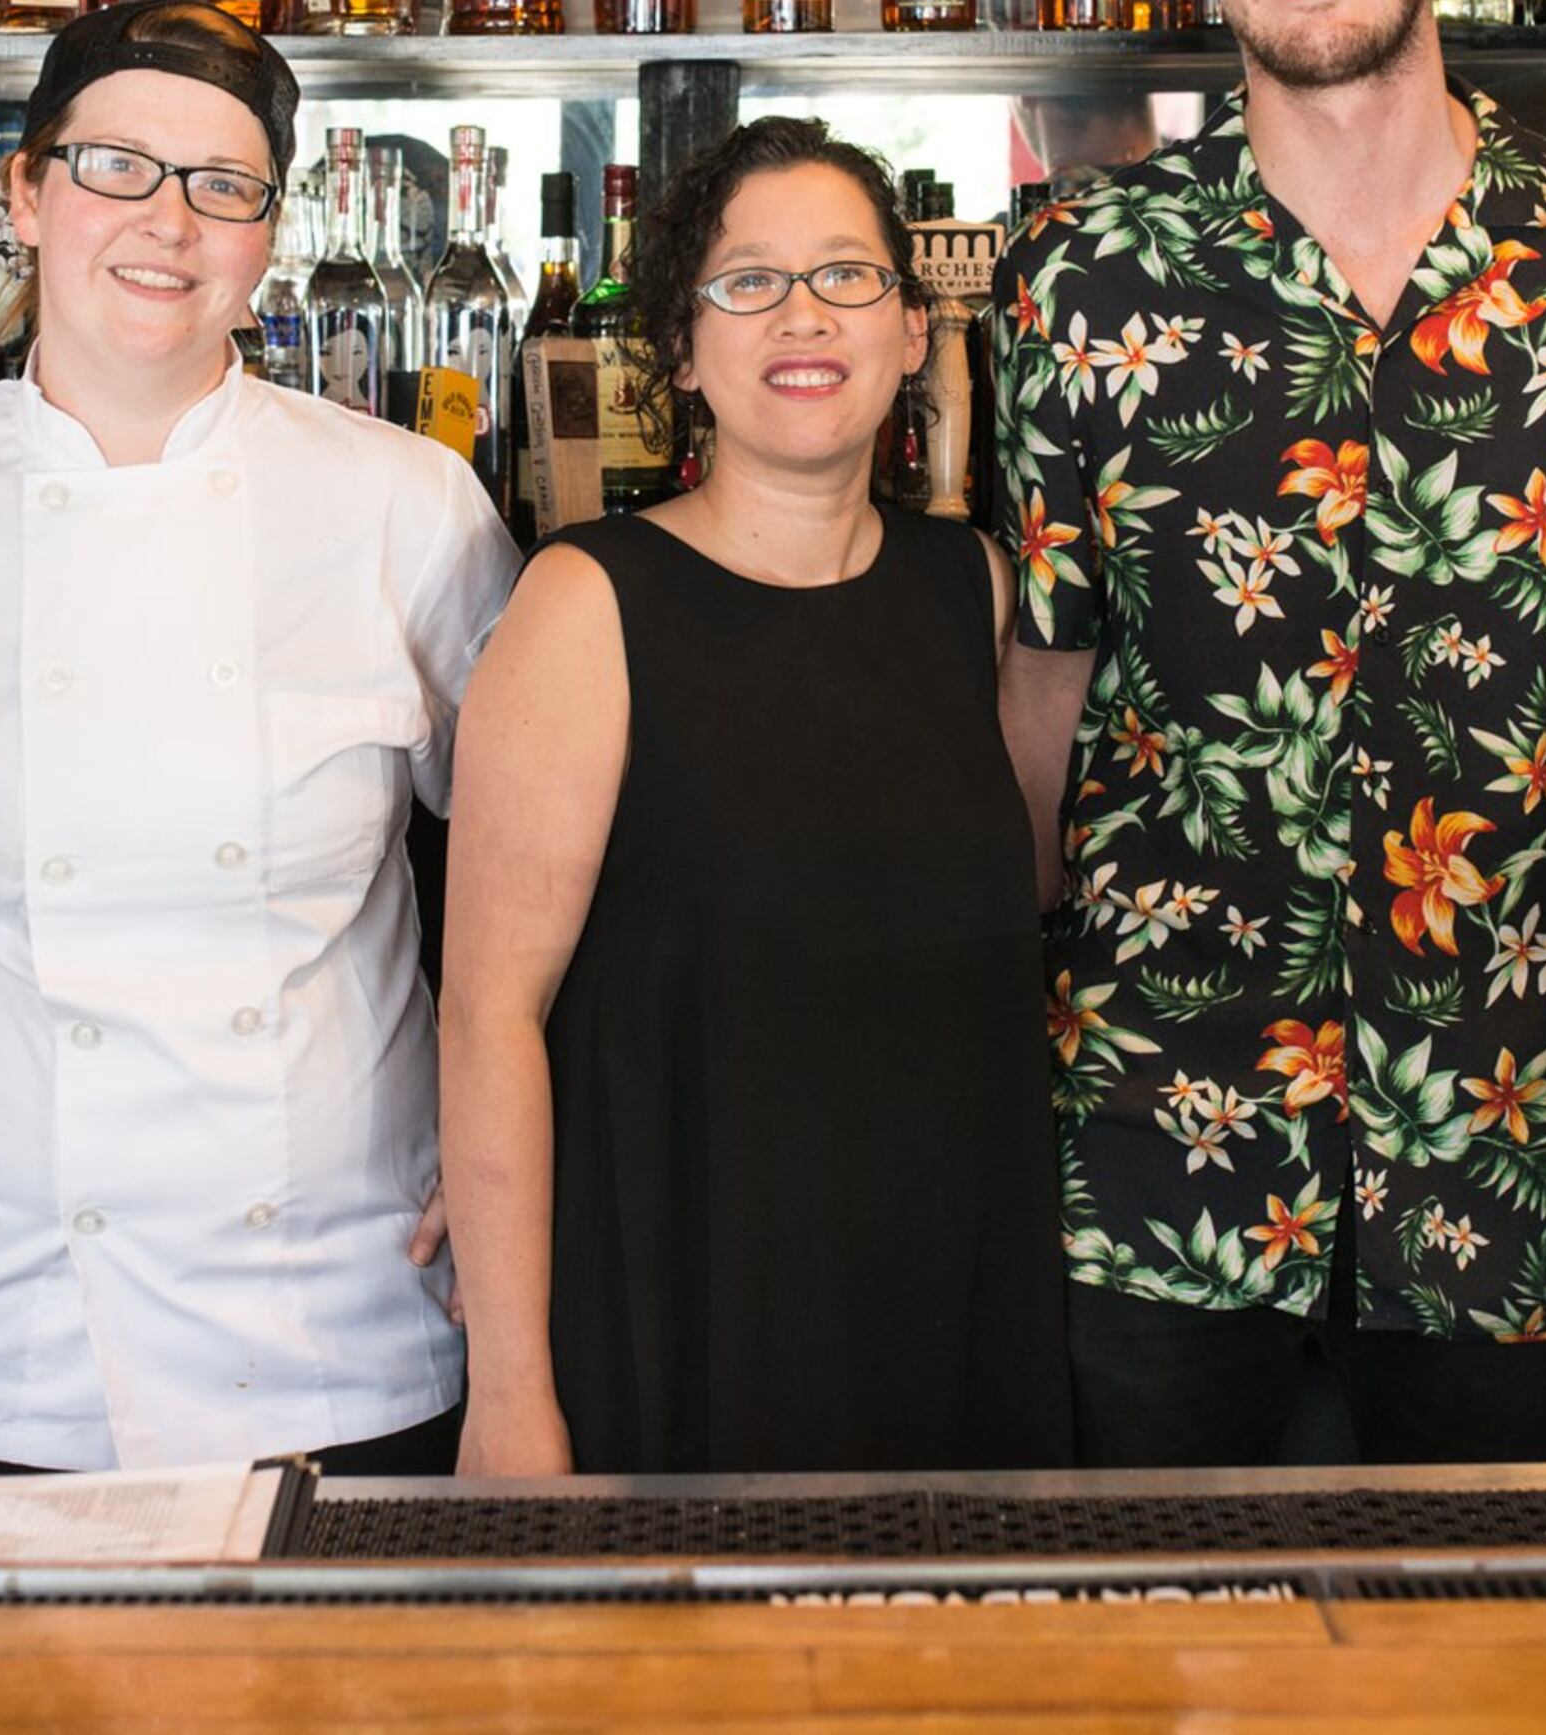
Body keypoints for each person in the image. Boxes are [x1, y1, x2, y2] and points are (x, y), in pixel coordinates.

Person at [992, 0, 1546, 1468]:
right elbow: (1046, 688)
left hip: (1522, 1159)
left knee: (1507, 1699)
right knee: (1159, 1689)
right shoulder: (1082, 272)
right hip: (1161, 1157)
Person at [0, 2, 520, 1475]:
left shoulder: (409, 510)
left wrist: (511, 1176)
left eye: (222, 187)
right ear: (26, 192)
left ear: (270, 232)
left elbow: (550, 869)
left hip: (342, 1318)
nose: (167, 226)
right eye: (117, 167)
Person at [439, 118, 1072, 1477]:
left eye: (849, 276)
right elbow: (491, 1017)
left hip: (954, 1306)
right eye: (749, 283)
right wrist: (510, 1393)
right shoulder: (586, 602)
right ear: (680, 348)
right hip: (690, 1314)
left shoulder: (977, 592)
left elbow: (1021, 917)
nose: (806, 316)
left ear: (912, 334)